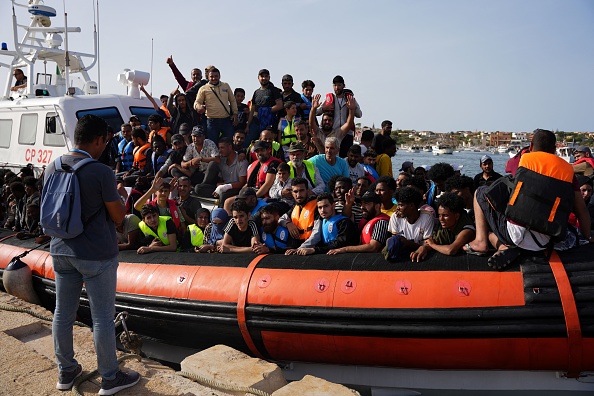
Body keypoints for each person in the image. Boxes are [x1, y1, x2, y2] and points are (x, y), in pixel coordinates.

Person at [46, 114, 140, 393]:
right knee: (101, 317)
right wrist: (121, 198)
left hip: (61, 250)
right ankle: (110, 378)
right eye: (104, 142)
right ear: (99, 140)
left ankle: (66, 373)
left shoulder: (53, 165)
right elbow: (118, 217)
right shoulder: (100, 171)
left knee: (62, 313)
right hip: (96, 254)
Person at [465, 129, 592, 269]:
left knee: (480, 191)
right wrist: (588, 239)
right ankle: (513, 248)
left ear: (531, 147)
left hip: (513, 235)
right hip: (544, 241)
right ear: (555, 149)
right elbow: (582, 211)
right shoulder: (568, 171)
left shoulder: (524, 160)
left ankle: (480, 241)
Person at [285, 192, 358, 255]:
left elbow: (340, 243)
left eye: (326, 206)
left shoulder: (344, 222)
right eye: (320, 207)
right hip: (327, 254)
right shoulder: (322, 223)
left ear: (333, 205)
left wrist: (315, 250)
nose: (323, 210)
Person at [410, 192, 475, 262]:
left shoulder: (467, 230)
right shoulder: (443, 228)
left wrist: (433, 245)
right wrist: (424, 247)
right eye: (439, 215)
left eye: (445, 215)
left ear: (456, 216)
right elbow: (432, 240)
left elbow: (451, 250)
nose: (441, 219)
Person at [385, 186, 435, 260]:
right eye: (398, 205)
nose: (397, 208)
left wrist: (408, 243)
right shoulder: (395, 217)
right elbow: (395, 243)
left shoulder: (427, 217)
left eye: (401, 205)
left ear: (412, 206)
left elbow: (428, 244)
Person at [194, 67, 238, 143]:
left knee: (228, 142)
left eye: (216, 76)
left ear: (219, 76)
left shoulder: (226, 85)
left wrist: (235, 113)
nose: (214, 78)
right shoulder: (203, 88)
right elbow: (197, 102)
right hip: (212, 121)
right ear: (208, 77)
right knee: (212, 143)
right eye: (211, 76)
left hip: (226, 119)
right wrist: (199, 107)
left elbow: (232, 100)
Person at [278, 177, 318, 241]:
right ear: (292, 193)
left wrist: (301, 248)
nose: (298, 195)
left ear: (307, 190)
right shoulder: (295, 207)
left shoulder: (317, 206)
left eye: (301, 190)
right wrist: (288, 224)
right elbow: (280, 220)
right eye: (295, 191)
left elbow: (317, 233)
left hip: (311, 246)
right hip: (297, 244)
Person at [246, 69, 283, 136]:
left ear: (269, 77)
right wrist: (248, 125)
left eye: (266, 76)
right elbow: (252, 110)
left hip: (269, 122)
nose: (264, 78)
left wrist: (266, 110)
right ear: (258, 78)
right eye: (262, 76)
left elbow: (280, 105)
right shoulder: (256, 92)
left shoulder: (274, 90)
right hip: (256, 122)